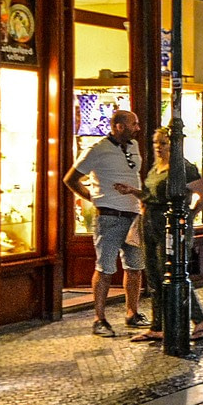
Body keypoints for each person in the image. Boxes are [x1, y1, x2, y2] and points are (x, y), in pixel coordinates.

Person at [63, 108, 148, 336]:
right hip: (109, 216)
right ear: (119, 126)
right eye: (134, 124)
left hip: (133, 215)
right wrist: (93, 198)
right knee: (105, 268)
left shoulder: (134, 147)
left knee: (135, 267)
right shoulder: (97, 149)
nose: (138, 128)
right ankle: (99, 319)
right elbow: (71, 179)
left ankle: (132, 312)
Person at [132, 126, 203, 343]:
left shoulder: (184, 168)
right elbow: (150, 195)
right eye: (156, 143)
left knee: (172, 272)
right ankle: (157, 326)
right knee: (154, 275)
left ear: (174, 145)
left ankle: (199, 319)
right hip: (149, 224)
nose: (158, 147)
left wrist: (191, 214)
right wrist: (132, 192)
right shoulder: (154, 168)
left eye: (163, 143)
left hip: (172, 226)